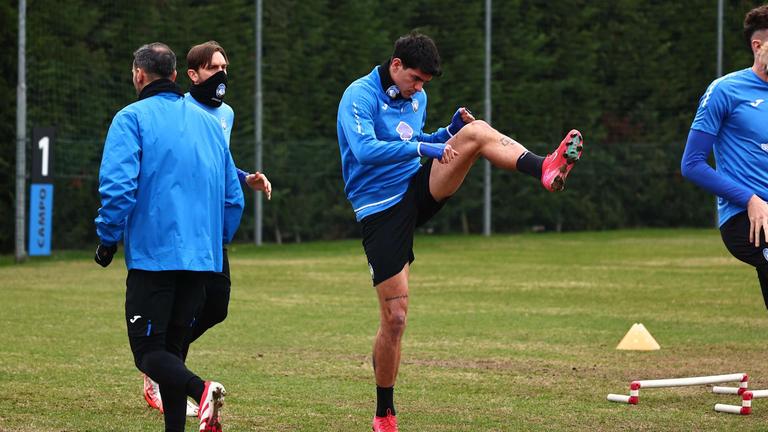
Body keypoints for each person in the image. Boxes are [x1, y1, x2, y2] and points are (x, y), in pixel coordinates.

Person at [336, 32, 584, 432]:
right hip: (379, 209)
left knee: (475, 133)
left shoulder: (417, 96)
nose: (419, 89)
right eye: (415, 80)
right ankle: (384, 413)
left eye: (425, 84)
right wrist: (425, 148)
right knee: (395, 317)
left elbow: (417, 143)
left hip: (418, 185)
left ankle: (545, 167)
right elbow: (365, 150)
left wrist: (442, 134)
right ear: (395, 66)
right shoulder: (359, 96)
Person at [94, 42, 244, 432]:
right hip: (201, 260)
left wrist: (108, 238)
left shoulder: (131, 118)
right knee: (172, 352)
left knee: (147, 353)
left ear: (138, 75)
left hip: (154, 257)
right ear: (177, 76)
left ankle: (203, 388)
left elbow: (118, 188)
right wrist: (215, 243)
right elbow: (233, 197)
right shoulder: (209, 122)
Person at [140, 40, 273, 419]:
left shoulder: (226, 113)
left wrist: (245, 178)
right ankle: (164, 369)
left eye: (225, 66)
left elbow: (218, 161)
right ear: (192, 74)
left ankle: (160, 360)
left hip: (214, 228)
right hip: (186, 228)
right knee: (186, 308)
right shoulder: (181, 110)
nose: (221, 74)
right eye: (213, 67)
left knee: (217, 307)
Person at [681, 6, 768, 313]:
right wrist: (750, 199)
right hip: (745, 217)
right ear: (758, 46)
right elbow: (692, 164)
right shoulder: (726, 91)